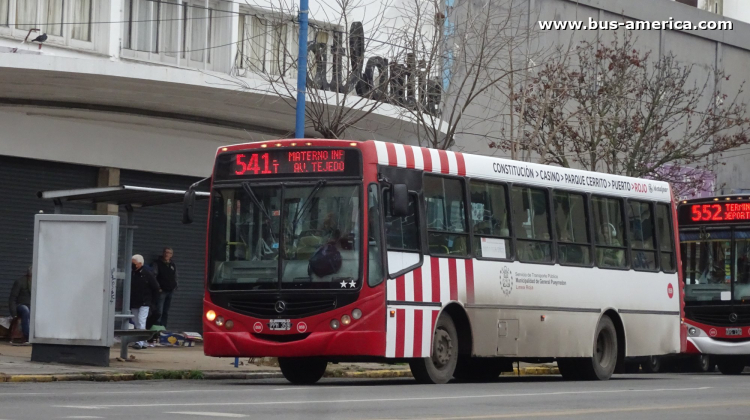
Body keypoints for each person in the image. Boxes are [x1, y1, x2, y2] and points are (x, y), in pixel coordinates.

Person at [130, 254, 160, 349]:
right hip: (134, 302)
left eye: (134, 263)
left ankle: (140, 342)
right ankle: (143, 341)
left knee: (141, 321)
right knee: (136, 322)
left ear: (140, 263)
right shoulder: (132, 273)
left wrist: (153, 303)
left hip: (145, 302)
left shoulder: (147, 274)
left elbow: (156, 288)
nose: (132, 265)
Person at [151, 247, 178, 328]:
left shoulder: (172, 265)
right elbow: (153, 276)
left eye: (169, 253)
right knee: (159, 311)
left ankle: (163, 328)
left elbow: (175, 276)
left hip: (170, 291)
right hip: (161, 291)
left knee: (166, 311)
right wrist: (158, 288)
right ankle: (156, 328)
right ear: (163, 253)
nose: (167, 254)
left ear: (171, 255)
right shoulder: (157, 263)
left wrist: (175, 286)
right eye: (166, 252)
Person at [8, 267, 32, 345]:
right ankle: (28, 336)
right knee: (25, 310)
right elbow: (12, 298)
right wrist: (14, 313)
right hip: (21, 305)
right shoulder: (20, 282)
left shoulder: (37, 282)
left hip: (31, 306)